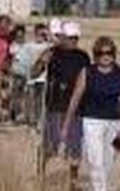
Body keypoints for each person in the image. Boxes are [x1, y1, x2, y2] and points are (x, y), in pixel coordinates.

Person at [63, 37, 120, 191]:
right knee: (95, 161)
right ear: (95, 55)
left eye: (109, 53)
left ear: (114, 54)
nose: (105, 56)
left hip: (115, 122)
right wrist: (66, 124)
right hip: (92, 121)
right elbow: (75, 99)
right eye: (100, 53)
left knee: (107, 163)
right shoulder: (87, 72)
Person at [39, 21, 90, 181]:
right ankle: (42, 173)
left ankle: (73, 179)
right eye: (70, 38)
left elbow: (85, 81)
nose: (73, 41)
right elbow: (34, 73)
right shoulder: (51, 53)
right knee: (50, 142)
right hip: (54, 104)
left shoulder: (83, 57)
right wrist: (41, 62)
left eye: (76, 38)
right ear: (62, 37)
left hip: (76, 108)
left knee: (74, 143)